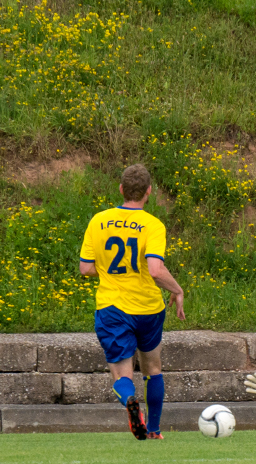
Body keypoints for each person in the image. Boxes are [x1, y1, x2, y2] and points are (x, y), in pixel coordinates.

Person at [79, 164, 185, 440]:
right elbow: (155, 270)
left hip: (113, 308)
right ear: (149, 192)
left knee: (122, 375)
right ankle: (154, 430)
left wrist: (109, 269)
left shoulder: (99, 221)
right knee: (153, 369)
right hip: (149, 308)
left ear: (121, 189)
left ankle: (129, 401)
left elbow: (85, 269)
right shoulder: (152, 225)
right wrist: (177, 289)